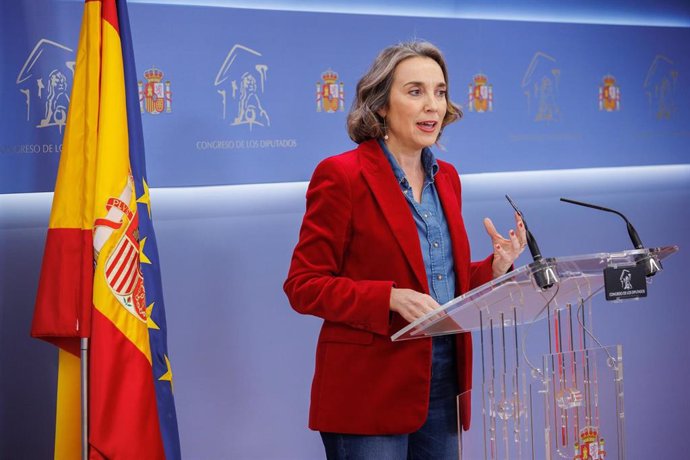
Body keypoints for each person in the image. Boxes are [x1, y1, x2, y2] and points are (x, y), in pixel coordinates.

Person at [284, 41, 527, 459]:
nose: (432, 105)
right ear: (380, 105)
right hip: (367, 392)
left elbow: (441, 284)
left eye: (440, 91)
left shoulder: (447, 178)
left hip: (443, 381)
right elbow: (303, 285)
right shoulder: (341, 176)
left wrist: (495, 267)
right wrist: (388, 297)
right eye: (415, 91)